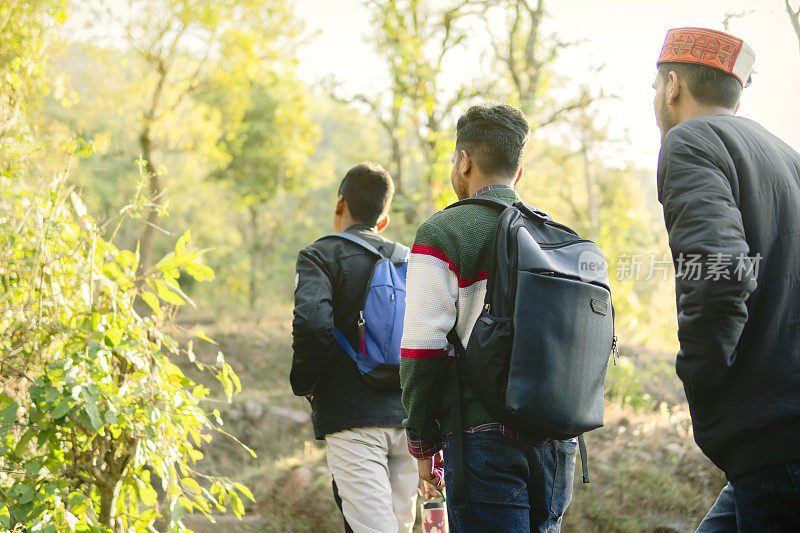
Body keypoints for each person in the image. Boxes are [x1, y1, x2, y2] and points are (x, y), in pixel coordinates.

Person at [400, 103, 577, 532]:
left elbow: (422, 350)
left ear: (464, 161)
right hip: (559, 443)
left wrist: (422, 445)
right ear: (519, 172)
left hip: (482, 439)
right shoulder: (560, 237)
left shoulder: (444, 232)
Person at [653, 27, 800, 531]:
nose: (657, 98)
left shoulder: (690, 141)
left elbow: (721, 270)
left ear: (673, 85)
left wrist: (702, 379)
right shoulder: (789, 158)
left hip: (771, 437)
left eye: (656, 88)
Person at [290, 162, 418, 532]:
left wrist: (306, 384)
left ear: (339, 204)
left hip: (353, 420)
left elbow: (313, 323)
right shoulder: (410, 260)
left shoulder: (320, 255)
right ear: (384, 219)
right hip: (408, 421)